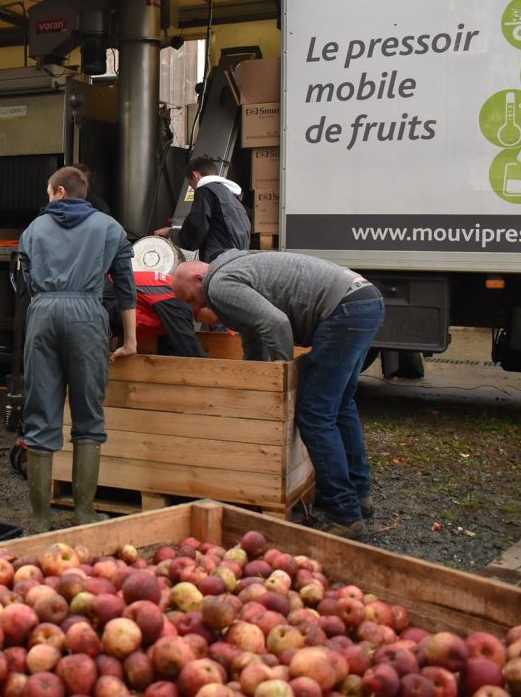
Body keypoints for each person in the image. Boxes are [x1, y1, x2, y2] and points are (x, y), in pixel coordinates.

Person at [171, 250, 384, 540]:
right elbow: (254, 330)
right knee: (340, 405)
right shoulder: (235, 267)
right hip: (366, 300)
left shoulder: (218, 284)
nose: (195, 311)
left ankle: (345, 514)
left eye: (191, 300)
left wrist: (280, 376)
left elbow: (276, 324)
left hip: (342, 313)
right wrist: (254, 375)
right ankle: (359, 495)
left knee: (314, 414)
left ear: (198, 279)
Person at [17, 166, 136, 533]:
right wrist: (130, 340)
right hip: (87, 314)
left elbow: (24, 277)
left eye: (49, 192)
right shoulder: (110, 228)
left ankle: (39, 520)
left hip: (43, 314)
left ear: (60, 191)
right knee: (88, 414)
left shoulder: (34, 229)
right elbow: (126, 287)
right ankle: (83, 513)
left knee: (40, 411)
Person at [155, 156, 250, 262]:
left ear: (196, 176)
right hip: (237, 259)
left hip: (218, 259)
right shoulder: (232, 198)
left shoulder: (205, 190)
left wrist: (170, 232)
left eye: (191, 184)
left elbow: (196, 229)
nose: (193, 188)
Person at [104, 270, 207, 358]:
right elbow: (190, 349)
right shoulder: (179, 303)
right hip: (109, 297)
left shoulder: (181, 299)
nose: (217, 322)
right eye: (219, 318)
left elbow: (170, 347)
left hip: (114, 298)